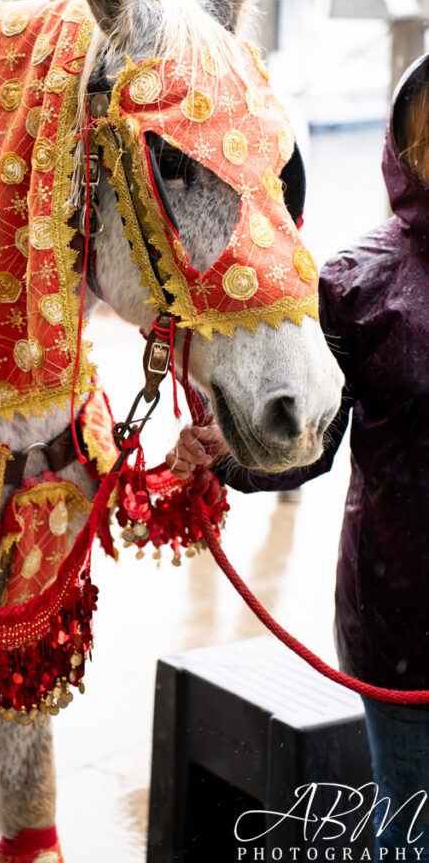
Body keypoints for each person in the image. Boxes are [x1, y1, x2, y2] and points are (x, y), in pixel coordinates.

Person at [167, 52, 429, 858]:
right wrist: (227, 451)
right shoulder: (354, 285)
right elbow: (306, 443)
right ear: (405, 153)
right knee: (409, 829)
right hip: (401, 625)